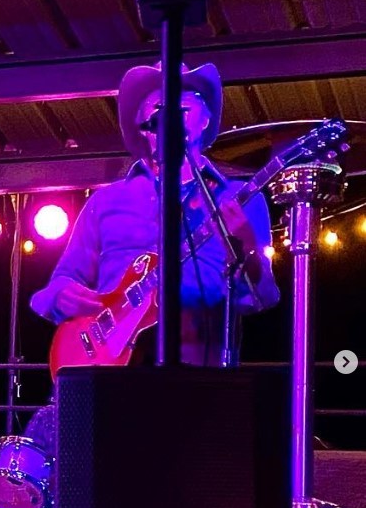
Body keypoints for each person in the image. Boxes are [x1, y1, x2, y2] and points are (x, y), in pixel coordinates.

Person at [29, 60, 280, 368]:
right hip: (110, 366)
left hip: (201, 367)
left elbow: (261, 297)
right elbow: (60, 282)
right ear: (144, 126)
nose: (172, 114)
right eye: (159, 107)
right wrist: (61, 295)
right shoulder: (106, 200)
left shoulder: (239, 198)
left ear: (205, 119)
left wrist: (245, 250)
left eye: (185, 105)